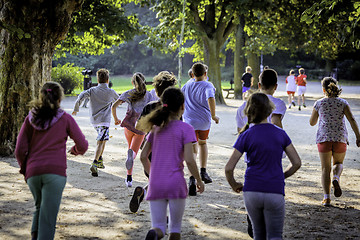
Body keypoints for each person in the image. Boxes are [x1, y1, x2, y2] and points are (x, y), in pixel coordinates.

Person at [15, 82, 88, 240]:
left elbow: (19, 150)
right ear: (60, 99)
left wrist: (25, 169)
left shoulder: (30, 118)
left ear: (41, 96)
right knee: (48, 217)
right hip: (55, 173)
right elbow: (83, 145)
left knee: (39, 208)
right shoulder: (65, 118)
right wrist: (75, 151)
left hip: (33, 172)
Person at [225, 92, 301, 240]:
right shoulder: (280, 134)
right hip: (274, 189)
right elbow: (296, 163)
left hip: (252, 190)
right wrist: (282, 175)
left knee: (258, 235)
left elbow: (228, 168)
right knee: (275, 235)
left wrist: (234, 184)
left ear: (249, 111)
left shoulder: (246, 135)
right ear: (270, 110)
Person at [137, 87, 205, 240]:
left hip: (155, 184)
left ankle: (155, 234)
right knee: (175, 229)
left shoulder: (155, 129)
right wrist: (199, 180)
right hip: (176, 183)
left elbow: (142, 156)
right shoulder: (186, 129)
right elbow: (189, 159)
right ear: (182, 106)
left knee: (159, 227)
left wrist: (152, 174)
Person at [129, 71, 177, 213]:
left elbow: (138, 127)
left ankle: (143, 193)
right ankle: (163, 215)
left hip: (150, 150)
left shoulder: (149, 106)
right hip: (168, 152)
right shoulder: (175, 110)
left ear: (156, 90)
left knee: (157, 180)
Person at [310, 77, 360, 206]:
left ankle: (326, 198)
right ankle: (336, 178)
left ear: (323, 89)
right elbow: (352, 120)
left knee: (325, 168)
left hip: (324, 138)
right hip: (340, 138)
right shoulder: (343, 103)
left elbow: (312, 122)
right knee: (338, 163)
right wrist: (358, 136)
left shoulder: (319, 103)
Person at [111, 72, 157, 187]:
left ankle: (129, 178)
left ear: (132, 82)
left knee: (129, 149)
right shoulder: (148, 95)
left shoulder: (129, 93)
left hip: (128, 125)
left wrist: (116, 119)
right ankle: (132, 160)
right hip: (141, 127)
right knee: (134, 152)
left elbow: (114, 106)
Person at [72, 68, 119, 177]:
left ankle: (100, 160)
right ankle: (94, 162)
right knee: (100, 141)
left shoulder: (92, 90)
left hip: (94, 121)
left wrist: (76, 108)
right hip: (104, 121)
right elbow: (120, 100)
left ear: (97, 80)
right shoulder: (110, 92)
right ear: (108, 80)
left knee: (103, 140)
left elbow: (81, 96)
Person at [182, 62, 219, 196]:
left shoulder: (186, 85)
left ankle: (192, 178)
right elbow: (211, 98)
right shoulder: (208, 85)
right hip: (204, 122)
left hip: (189, 121)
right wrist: (214, 115)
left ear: (192, 74)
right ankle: (203, 170)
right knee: (203, 143)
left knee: (192, 148)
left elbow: (180, 99)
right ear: (205, 74)